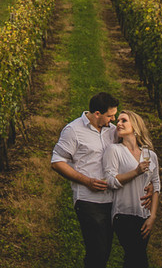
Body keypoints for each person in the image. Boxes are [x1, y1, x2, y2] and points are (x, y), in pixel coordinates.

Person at [51, 92, 119, 268]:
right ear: (97, 114)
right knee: (97, 250)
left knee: (104, 251)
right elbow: (57, 162)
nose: (114, 119)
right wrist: (87, 181)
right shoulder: (73, 130)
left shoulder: (112, 131)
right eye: (110, 115)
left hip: (112, 199)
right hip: (88, 200)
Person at [102, 110, 161, 268]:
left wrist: (152, 216)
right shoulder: (114, 150)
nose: (118, 123)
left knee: (133, 258)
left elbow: (156, 185)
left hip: (144, 215)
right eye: (118, 120)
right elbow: (110, 180)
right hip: (123, 214)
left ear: (135, 126)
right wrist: (136, 172)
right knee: (138, 256)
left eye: (124, 120)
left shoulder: (149, 155)